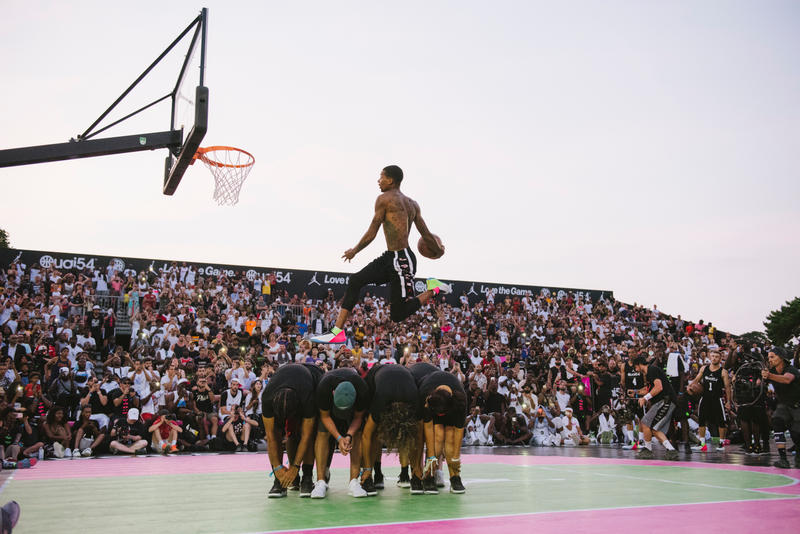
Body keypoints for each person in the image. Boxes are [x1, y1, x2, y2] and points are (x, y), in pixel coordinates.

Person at [311, 165, 451, 344]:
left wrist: (355, 250)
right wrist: (438, 251)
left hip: (402, 260)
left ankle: (433, 289)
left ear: (390, 180)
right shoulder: (412, 204)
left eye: (381, 177)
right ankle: (337, 332)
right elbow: (426, 234)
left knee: (397, 315)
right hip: (391, 257)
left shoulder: (384, 199)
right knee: (355, 280)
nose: (378, 181)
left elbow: (373, 231)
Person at [261, 363, 323, 499]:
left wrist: (295, 467)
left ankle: (307, 477)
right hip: (286, 380)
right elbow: (271, 437)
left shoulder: (307, 398)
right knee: (283, 433)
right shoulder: (267, 397)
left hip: (311, 378)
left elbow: (306, 436)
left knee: (308, 434)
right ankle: (279, 480)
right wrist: (277, 468)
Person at [360, 363, 422, 496]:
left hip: (404, 377)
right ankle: (375, 473)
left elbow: (418, 436)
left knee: (409, 434)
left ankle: (411, 474)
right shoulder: (380, 401)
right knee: (375, 433)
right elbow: (366, 435)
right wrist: (366, 470)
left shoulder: (414, 400)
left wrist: (417, 468)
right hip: (375, 378)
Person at [310, 368, 370, 499]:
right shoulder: (324, 388)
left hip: (353, 413)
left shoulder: (362, 390)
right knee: (322, 434)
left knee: (357, 435)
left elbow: (358, 417)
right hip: (329, 411)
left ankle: (354, 481)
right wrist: (338, 437)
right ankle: (321, 481)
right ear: (333, 393)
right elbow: (325, 417)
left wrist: (348, 435)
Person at [410, 362, 468, 494]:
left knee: (450, 438)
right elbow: (428, 429)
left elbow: (459, 432)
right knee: (437, 436)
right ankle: (427, 475)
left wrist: (456, 458)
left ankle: (455, 477)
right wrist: (431, 457)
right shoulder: (426, 396)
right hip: (431, 400)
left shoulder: (460, 400)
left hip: (449, 404)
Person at [632, 356, 679, 460]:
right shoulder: (649, 373)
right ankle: (669, 450)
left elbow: (659, 387)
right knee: (650, 426)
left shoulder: (651, 370)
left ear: (639, 364)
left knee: (647, 424)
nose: (636, 370)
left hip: (665, 401)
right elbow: (649, 389)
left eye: (635, 367)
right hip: (663, 401)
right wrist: (635, 392)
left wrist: (645, 398)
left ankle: (649, 449)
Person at [761, 347, 800, 469]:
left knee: (796, 433)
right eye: (769, 357)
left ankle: (798, 457)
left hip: (797, 405)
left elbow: (787, 379)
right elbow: (762, 381)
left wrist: (769, 376)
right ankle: (783, 459)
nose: (770, 360)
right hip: (784, 405)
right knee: (777, 421)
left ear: (781, 357)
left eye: (772, 357)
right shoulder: (772, 371)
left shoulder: (791, 369)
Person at [689, 350, 732, 452]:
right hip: (705, 397)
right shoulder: (704, 368)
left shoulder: (723, 371)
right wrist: (690, 386)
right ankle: (702, 444)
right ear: (710, 357)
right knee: (701, 420)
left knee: (721, 421)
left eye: (716, 357)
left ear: (720, 359)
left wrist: (728, 401)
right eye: (712, 356)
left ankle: (721, 443)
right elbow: (696, 380)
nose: (714, 358)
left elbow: (727, 387)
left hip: (717, 398)